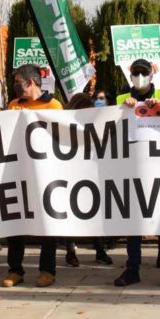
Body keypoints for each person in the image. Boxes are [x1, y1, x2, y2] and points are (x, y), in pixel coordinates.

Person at [116, 59, 160, 287]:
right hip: (132, 169)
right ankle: (132, 269)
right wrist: (124, 108)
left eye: (144, 72)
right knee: (134, 223)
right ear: (129, 75)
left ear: (152, 75)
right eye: (135, 72)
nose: (139, 76)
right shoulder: (122, 99)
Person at [2, 65, 63, 287]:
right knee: (16, 222)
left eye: (18, 81)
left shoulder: (54, 106)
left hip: (46, 173)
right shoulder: (13, 106)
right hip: (18, 172)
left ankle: (47, 270)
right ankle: (15, 270)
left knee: (46, 222)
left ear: (30, 82)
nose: (15, 85)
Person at [62, 92, 113, 266]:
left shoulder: (94, 124)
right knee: (73, 215)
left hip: (89, 173)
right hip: (73, 174)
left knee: (94, 213)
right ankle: (75, 251)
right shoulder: (65, 125)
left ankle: (96, 250)